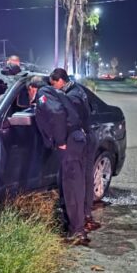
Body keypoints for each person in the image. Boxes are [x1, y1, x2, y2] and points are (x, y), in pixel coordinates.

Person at [28, 74, 90, 246]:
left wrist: (61, 141)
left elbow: (56, 113)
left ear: (32, 88)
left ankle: (77, 231)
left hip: (69, 142)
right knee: (71, 185)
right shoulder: (55, 92)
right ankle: (74, 226)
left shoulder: (42, 94)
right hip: (75, 139)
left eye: (28, 92)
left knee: (72, 187)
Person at [50, 68, 101, 232]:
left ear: (60, 81)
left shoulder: (72, 97)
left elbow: (68, 118)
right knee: (84, 177)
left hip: (83, 140)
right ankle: (85, 214)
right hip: (88, 136)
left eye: (54, 84)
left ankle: (82, 216)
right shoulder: (76, 89)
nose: (53, 88)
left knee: (80, 180)